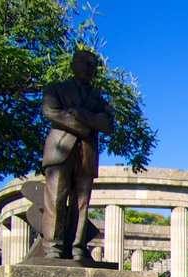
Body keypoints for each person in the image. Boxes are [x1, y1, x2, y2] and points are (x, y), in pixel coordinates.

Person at [41, 49, 114, 260]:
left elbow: (108, 125)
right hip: (60, 150)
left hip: (87, 153)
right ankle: (52, 248)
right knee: (56, 197)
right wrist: (86, 126)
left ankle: (77, 247)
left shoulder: (99, 100)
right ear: (73, 65)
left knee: (82, 203)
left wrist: (80, 114)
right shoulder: (56, 89)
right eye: (83, 63)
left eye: (92, 66)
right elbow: (51, 111)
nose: (87, 68)